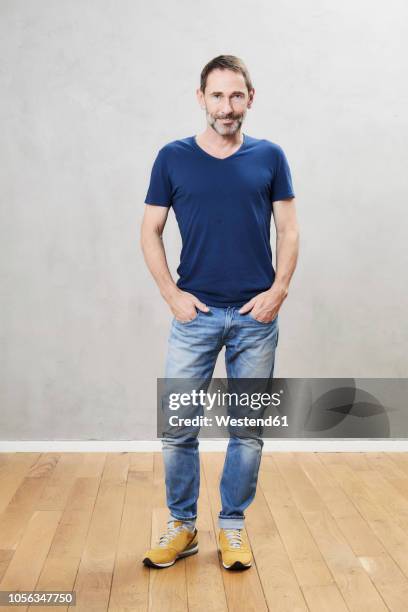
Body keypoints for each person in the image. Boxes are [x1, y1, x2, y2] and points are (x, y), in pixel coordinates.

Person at [140, 55, 299, 570]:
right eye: (217, 96)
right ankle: (183, 527)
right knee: (178, 428)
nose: (226, 107)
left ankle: (232, 526)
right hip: (196, 315)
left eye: (236, 96)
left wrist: (278, 291)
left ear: (250, 98)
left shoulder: (270, 157)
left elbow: (289, 230)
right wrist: (171, 295)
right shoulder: (173, 158)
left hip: (256, 318)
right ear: (200, 97)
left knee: (247, 431)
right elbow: (150, 231)